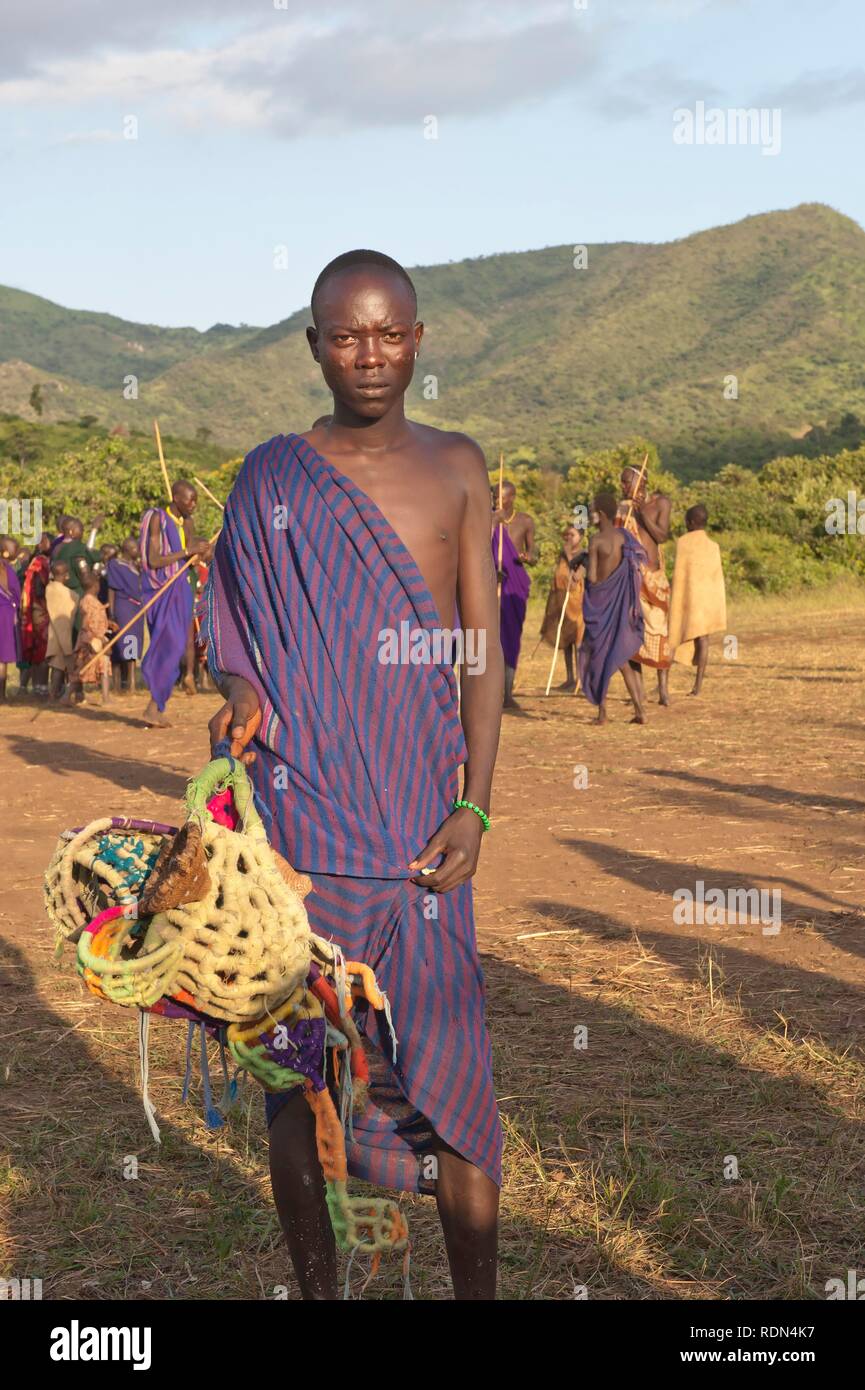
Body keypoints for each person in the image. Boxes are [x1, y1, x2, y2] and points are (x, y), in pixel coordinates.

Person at [204, 249, 503, 1301]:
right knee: (298, 1081)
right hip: (302, 830)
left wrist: (474, 804)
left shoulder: (457, 465)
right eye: (345, 335)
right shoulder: (271, 478)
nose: (368, 354)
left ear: (418, 338)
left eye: (388, 333)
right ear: (313, 345)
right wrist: (239, 695)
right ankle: (320, 1290)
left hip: (421, 827)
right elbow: (237, 636)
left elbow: (482, 647)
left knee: (454, 1080)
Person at [139, 480, 210, 727]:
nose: (193, 505)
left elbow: (190, 557)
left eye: (196, 501)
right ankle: (154, 705)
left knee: (178, 645)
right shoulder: (157, 518)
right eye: (190, 500)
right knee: (166, 645)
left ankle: (156, 705)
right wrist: (188, 551)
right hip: (161, 590)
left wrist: (198, 553)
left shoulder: (187, 522)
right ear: (177, 498)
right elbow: (154, 559)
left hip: (182, 588)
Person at [579, 494, 647, 725]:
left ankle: (602, 713)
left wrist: (583, 562)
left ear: (603, 514)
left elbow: (594, 578)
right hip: (622, 605)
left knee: (598, 657)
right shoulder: (623, 537)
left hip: (602, 605)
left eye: (592, 512)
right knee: (621, 657)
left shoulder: (596, 540)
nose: (589, 516)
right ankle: (640, 711)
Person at [617, 466, 672, 706]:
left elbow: (662, 536)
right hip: (630, 578)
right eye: (622, 483)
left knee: (659, 632)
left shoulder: (661, 504)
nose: (624, 486)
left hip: (653, 578)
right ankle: (637, 693)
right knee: (631, 635)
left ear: (642, 481)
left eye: (628, 482)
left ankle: (662, 690)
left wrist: (641, 514)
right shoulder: (622, 509)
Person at [668, 504, 727, 696]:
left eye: (686, 521)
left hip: (687, 600)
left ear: (692, 522)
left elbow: (679, 575)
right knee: (703, 639)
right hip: (706, 602)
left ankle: (663, 684)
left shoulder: (683, 542)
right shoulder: (713, 546)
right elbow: (716, 579)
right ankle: (697, 686)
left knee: (673, 633)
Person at [491, 480, 535, 709]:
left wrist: (528, 557)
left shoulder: (524, 521)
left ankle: (507, 694)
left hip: (514, 586)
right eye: (494, 494)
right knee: (490, 639)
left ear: (512, 497)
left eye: (502, 496)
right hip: (491, 585)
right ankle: (488, 693)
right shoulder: (485, 518)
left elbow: (534, 554)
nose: (497, 499)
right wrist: (492, 522)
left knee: (511, 639)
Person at [540, 524, 586, 691]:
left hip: (577, 605)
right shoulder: (561, 555)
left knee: (578, 642)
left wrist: (568, 553)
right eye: (566, 535)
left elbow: (576, 576)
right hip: (562, 603)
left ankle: (580, 679)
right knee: (565, 641)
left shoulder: (583, 554)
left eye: (572, 535)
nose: (568, 539)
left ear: (580, 537)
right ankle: (570, 678)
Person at [106, 537, 145, 693]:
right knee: (122, 643)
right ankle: (117, 685)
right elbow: (111, 589)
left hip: (137, 608)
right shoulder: (115, 565)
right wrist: (112, 613)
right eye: (135, 548)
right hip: (124, 607)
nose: (137, 551)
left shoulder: (135, 566)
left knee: (134, 643)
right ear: (127, 549)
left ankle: (132, 683)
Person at [70, 573, 115, 704]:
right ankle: (106, 698)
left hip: (87, 639)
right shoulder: (92, 603)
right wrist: (100, 641)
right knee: (103, 666)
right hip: (93, 641)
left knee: (80, 670)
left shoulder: (86, 600)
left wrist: (109, 624)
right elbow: (89, 623)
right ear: (95, 586)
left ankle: (68, 696)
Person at [18, 533, 53, 695]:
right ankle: (41, 686)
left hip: (34, 610)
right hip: (40, 609)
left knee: (38, 649)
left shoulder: (36, 561)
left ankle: (37, 686)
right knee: (43, 649)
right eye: (44, 541)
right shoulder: (40, 562)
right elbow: (39, 588)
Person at [45, 561, 79, 699]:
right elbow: (65, 618)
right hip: (62, 634)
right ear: (67, 576)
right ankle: (55, 694)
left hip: (53, 632)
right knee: (59, 666)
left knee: (56, 665)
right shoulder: (70, 594)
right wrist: (67, 647)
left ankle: (54, 694)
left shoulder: (49, 588)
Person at [0, 537, 22, 702]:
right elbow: (16, 594)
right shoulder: (7, 570)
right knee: (2, 659)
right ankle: (1, 695)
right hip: (5, 615)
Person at [54, 518, 99, 597]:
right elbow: (86, 577)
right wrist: (95, 573)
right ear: (71, 531)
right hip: (77, 595)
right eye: (81, 530)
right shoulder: (79, 548)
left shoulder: (56, 548)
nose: (82, 533)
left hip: (59, 594)